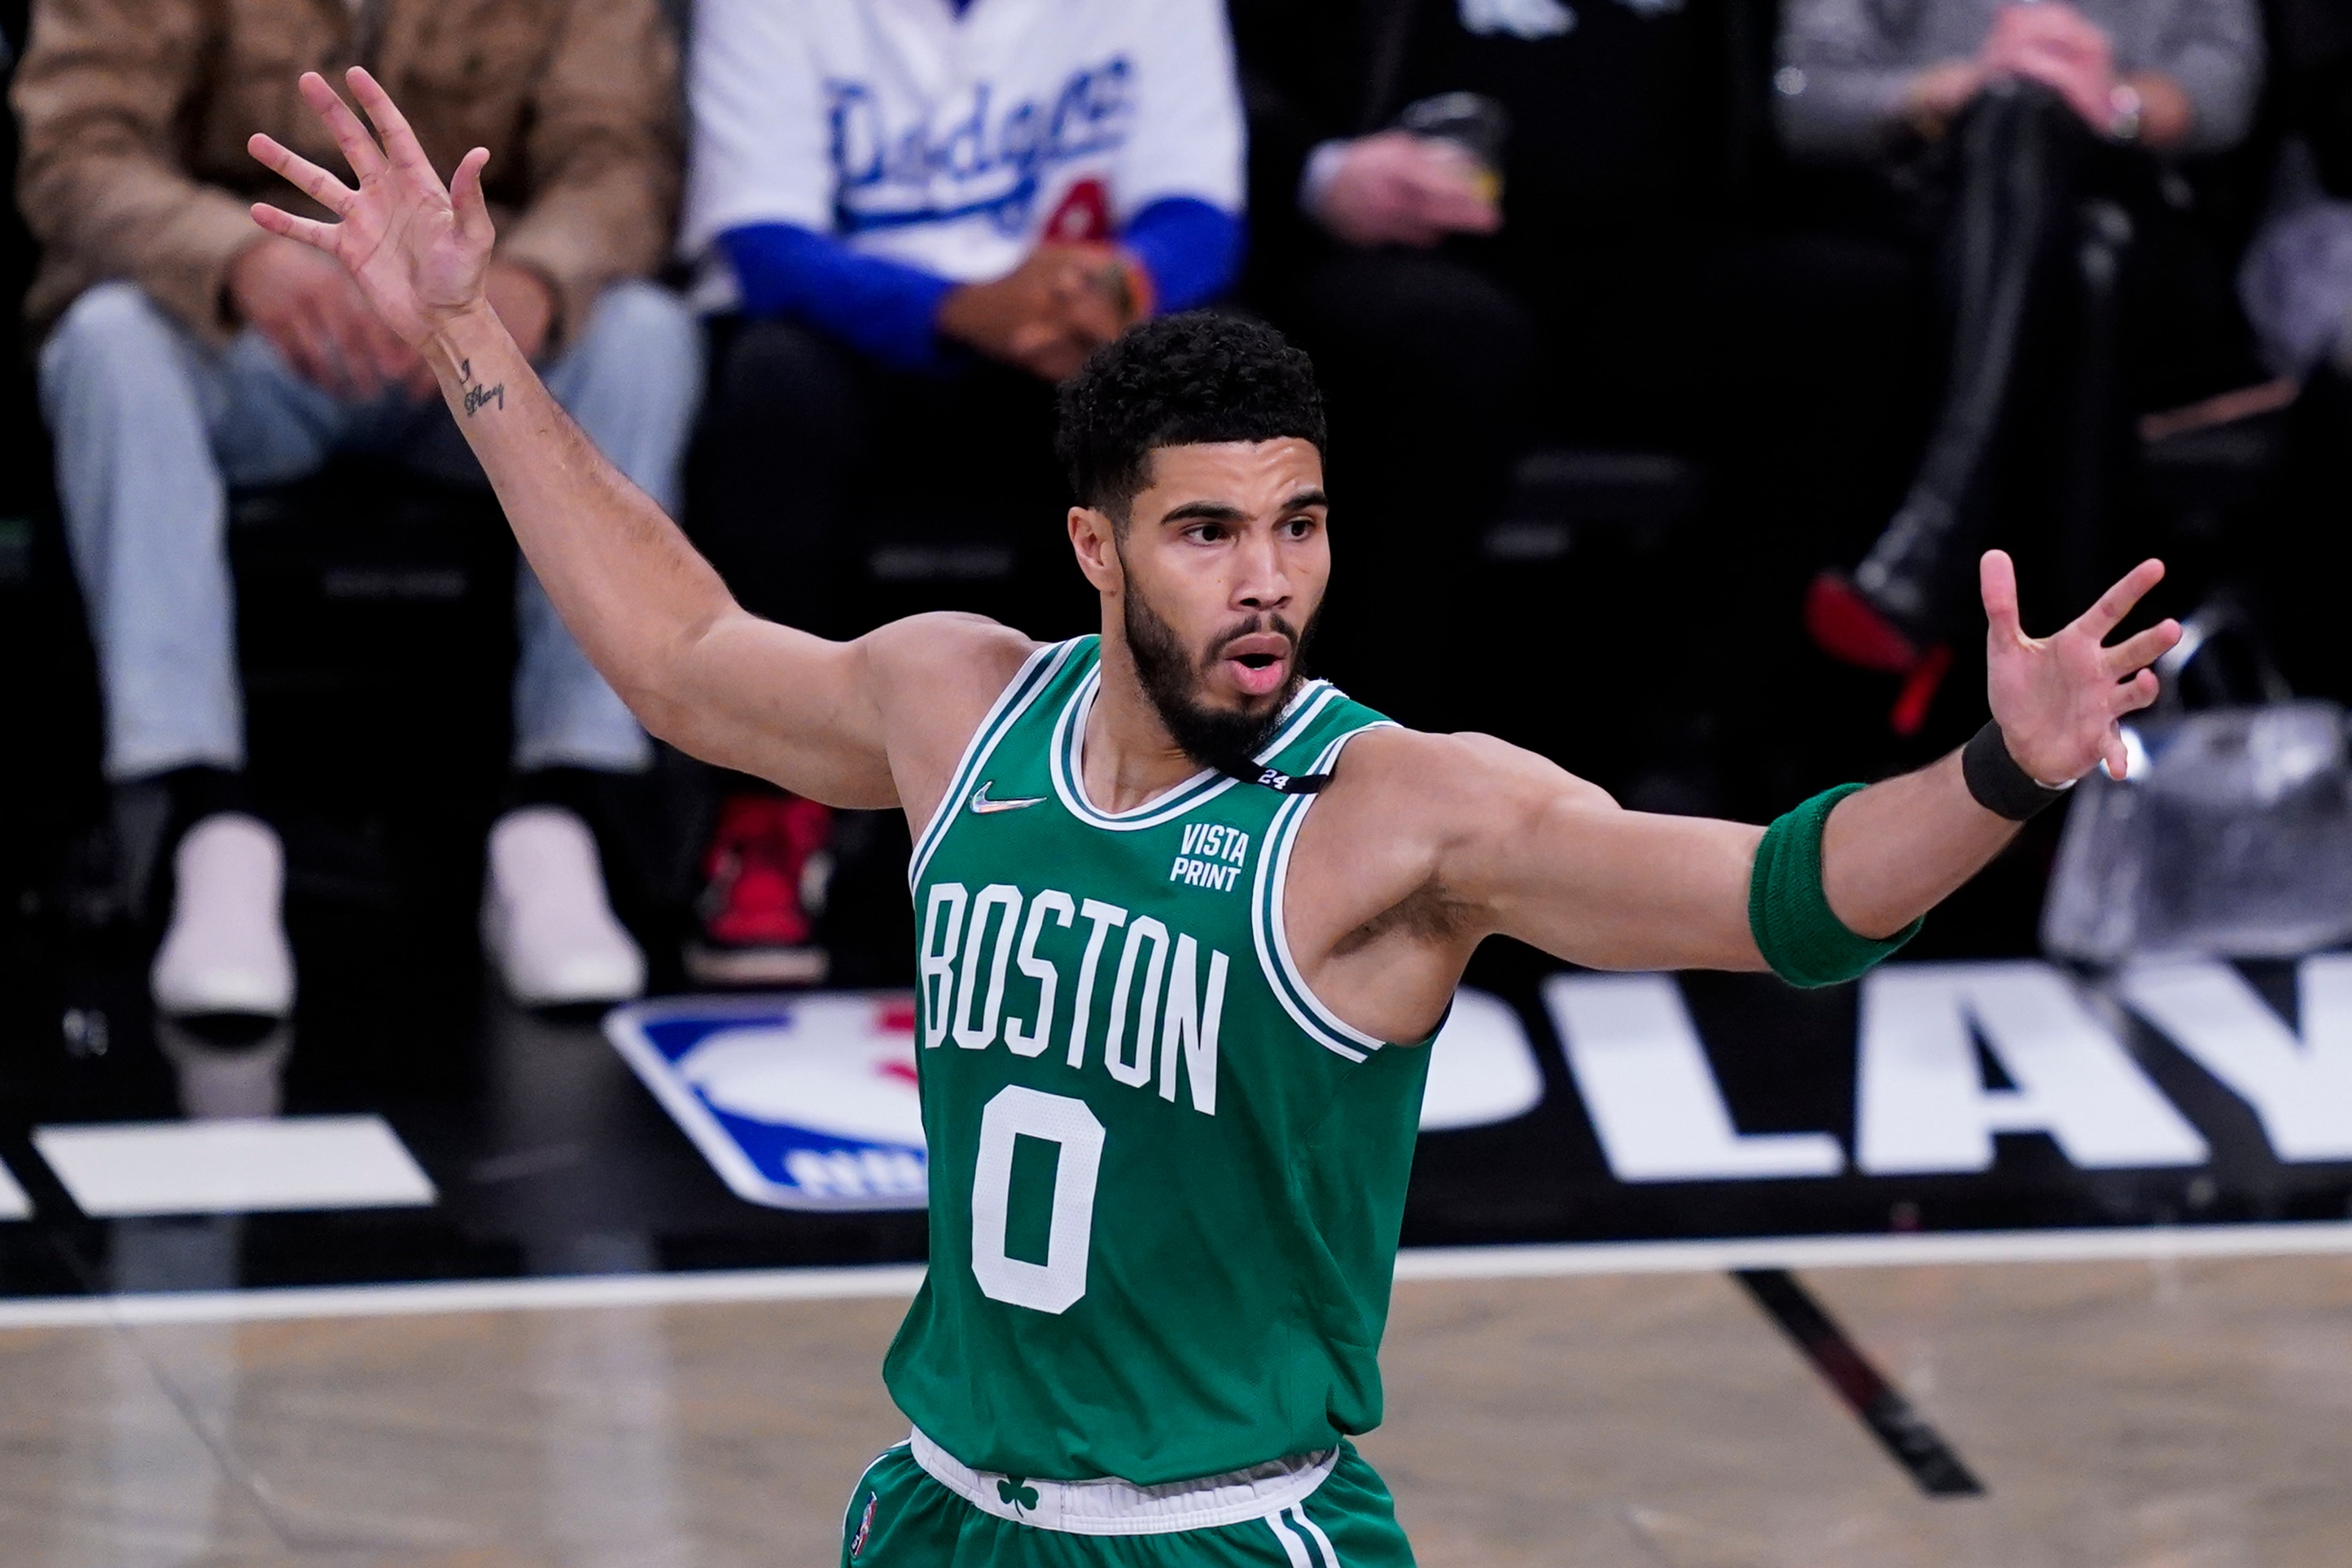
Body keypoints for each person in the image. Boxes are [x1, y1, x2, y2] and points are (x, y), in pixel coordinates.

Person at [250, 67, 2180, 1562]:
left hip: (1223, 1536)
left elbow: (1784, 900)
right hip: (941, 1511)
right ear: (1094, 544)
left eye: (1298, 522)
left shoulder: (1398, 815)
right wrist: (462, 332)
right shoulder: (956, 706)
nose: (1263, 577)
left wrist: (1999, 767)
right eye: (1204, 531)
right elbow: (678, 657)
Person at [11, 0, 697, 1015]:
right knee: (109, 344)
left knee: (643, 336)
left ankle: (568, 813)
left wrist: (532, 280)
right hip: (257, 332)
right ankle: (199, 817)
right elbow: (75, 145)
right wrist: (235, 259)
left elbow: (623, 156)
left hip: (474, 347)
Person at [672, 0, 1246, 984]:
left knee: (1193, 393)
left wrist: (1120, 290)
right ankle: (767, 815)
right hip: (858, 334)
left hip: (1067, 331)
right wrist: (956, 311)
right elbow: (764, 242)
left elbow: (1198, 211)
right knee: (774, 390)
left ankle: (1155, 817)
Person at [1229, 0, 1716, 726]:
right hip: (1365, 245)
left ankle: (1706, 732)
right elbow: (1199, 71)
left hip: (1639, 249)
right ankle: (1371, 737)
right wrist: (1314, 169)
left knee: (1849, 310)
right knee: (1452, 341)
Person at [1779, 0, 2262, 719]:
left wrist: (2110, 104)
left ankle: (1930, 551)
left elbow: (2227, 84)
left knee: (2066, 197)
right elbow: (1804, 97)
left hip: (2138, 210)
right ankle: (2079, 711)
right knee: (2073, 243)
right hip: (1930, 220)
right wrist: (1961, 87)